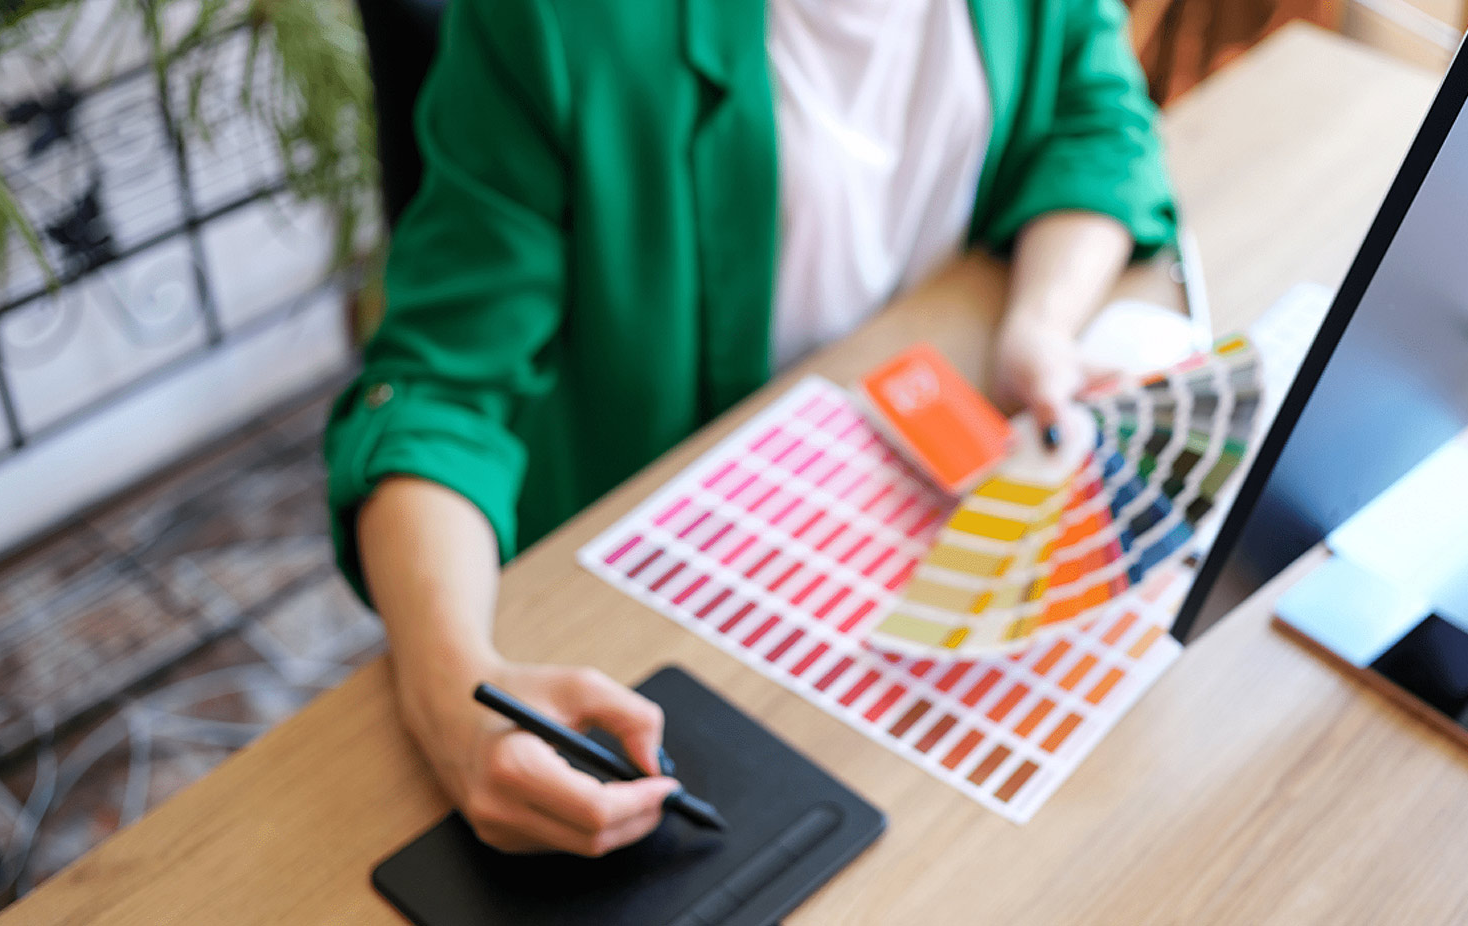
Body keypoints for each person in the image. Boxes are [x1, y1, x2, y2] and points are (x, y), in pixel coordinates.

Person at [324, 0, 1179, 856]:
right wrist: (453, 694)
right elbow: (438, 390)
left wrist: (1040, 322)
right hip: (657, 593)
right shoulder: (554, 21)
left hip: (895, 500)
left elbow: (1097, 121)